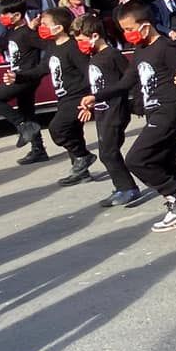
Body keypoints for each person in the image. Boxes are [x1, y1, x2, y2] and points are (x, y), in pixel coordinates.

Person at [80, 1, 176, 231]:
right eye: (123, 30)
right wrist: (96, 96)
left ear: (145, 25)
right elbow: (125, 83)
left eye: (130, 28)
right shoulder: (141, 50)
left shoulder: (167, 47)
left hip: (170, 110)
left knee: (136, 159)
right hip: (154, 112)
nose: (127, 34)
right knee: (165, 161)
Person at [7, 7, 96, 185]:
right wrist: (18, 76)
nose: (42, 27)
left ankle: (82, 156)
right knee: (75, 134)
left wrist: (91, 96)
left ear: (59, 28)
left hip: (77, 96)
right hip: (63, 97)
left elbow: (88, 72)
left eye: (46, 24)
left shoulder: (72, 47)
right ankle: (80, 171)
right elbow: (41, 70)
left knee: (58, 129)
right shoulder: (52, 47)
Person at [71, 14, 141, 207]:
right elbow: (99, 86)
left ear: (94, 36)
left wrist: (137, 102)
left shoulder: (112, 55)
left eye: (80, 40)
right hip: (102, 110)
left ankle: (128, 188)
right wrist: (91, 104)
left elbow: (129, 79)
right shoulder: (95, 57)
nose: (79, 45)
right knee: (107, 151)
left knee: (108, 153)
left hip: (115, 110)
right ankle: (121, 187)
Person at [0, 0, 49, 163]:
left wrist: (40, 69)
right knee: (27, 110)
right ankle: (38, 149)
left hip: (25, 78)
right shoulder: (11, 32)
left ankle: (24, 126)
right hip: (18, 75)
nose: (1, 17)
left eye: (5, 14)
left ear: (17, 15)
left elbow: (48, 47)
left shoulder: (27, 33)